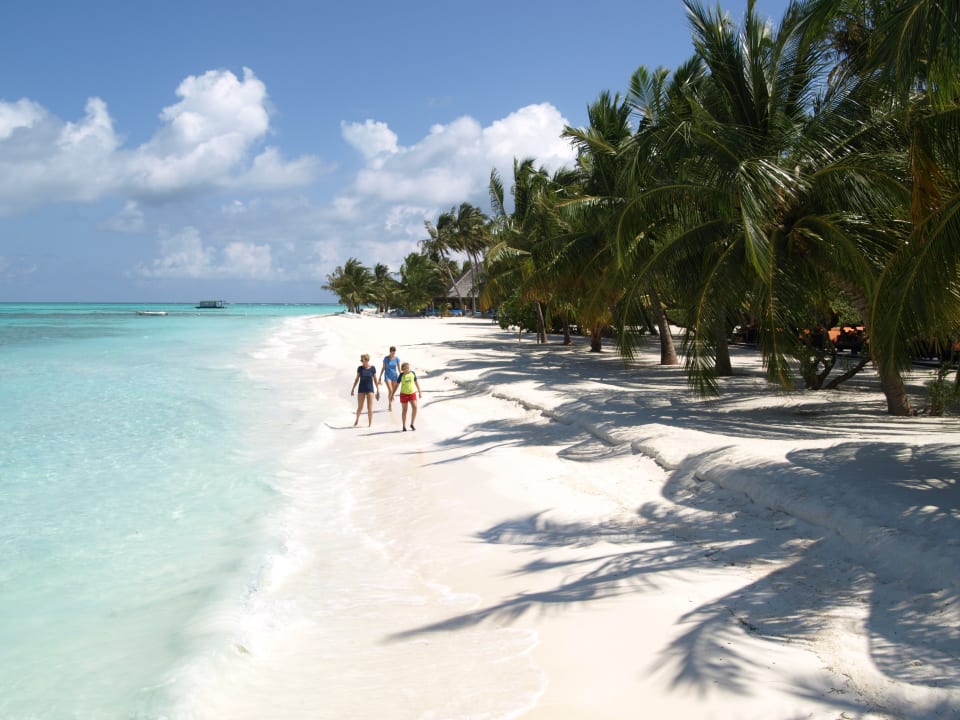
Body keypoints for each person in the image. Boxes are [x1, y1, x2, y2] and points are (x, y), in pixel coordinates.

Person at [350, 354, 380, 427]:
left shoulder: (372, 368)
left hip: (370, 388)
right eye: (361, 360)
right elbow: (357, 379)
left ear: (367, 360)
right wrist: (353, 388)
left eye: (362, 360)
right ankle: (357, 419)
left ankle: (370, 424)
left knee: (369, 407)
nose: (362, 361)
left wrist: (378, 389)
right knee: (360, 407)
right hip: (361, 388)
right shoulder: (360, 368)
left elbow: (375, 379)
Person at [397, 362, 422, 431]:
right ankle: (404, 426)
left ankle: (412, 424)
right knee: (404, 410)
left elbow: (416, 382)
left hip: (412, 393)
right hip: (403, 394)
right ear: (402, 369)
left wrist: (419, 391)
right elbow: (397, 385)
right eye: (405, 369)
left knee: (415, 407)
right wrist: (392, 394)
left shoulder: (412, 373)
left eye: (408, 368)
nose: (407, 370)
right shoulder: (401, 375)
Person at [379, 346, 401, 410]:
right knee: (390, 390)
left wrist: (402, 375)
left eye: (394, 352)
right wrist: (380, 376)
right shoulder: (386, 359)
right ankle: (390, 404)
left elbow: (399, 369)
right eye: (392, 352)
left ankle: (390, 399)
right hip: (387, 376)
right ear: (390, 351)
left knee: (392, 391)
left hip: (394, 376)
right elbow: (383, 367)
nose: (393, 353)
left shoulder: (397, 359)